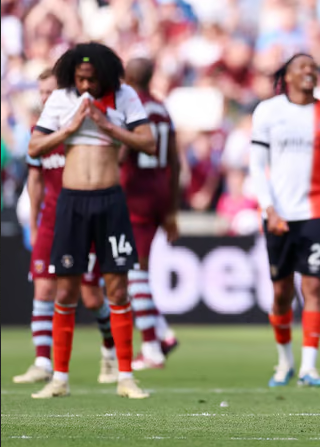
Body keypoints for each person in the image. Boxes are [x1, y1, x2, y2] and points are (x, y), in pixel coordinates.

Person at [27, 42, 156, 399]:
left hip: (110, 201)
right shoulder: (62, 98)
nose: (86, 87)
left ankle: (126, 376)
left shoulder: (124, 95)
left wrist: (105, 125)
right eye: (80, 79)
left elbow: (148, 142)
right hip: (72, 202)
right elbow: (34, 148)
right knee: (66, 290)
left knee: (117, 288)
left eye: (92, 80)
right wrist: (68, 130)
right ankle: (60, 378)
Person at [249, 53, 320, 387]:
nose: (309, 71)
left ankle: (309, 367)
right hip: (278, 215)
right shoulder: (268, 111)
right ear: (288, 76)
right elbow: (256, 165)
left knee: (313, 286)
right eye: (301, 67)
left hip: (316, 214)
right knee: (281, 293)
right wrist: (268, 208)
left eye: (313, 67)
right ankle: (285, 362)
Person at [13, 69, 119, 386]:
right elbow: (35, 181)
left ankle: (110, 347)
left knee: (90, 297)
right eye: (41, 93)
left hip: (83, 219)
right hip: (50, 221)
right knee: (44, 288)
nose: (44, 98)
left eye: (49, 92)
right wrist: (33, 224)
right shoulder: (39, 132)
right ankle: (43, 362)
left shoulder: (83, 130)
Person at [121, 57, 180, 370]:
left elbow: (122, 153)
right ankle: (164, 334)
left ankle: (151, 349)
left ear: (126, 77)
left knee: (133, 272)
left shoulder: (130, 108)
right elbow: (175, 160)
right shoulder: (160, 108)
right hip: (159, 192)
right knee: (129, 272)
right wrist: (172, 210)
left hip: (135, 194)